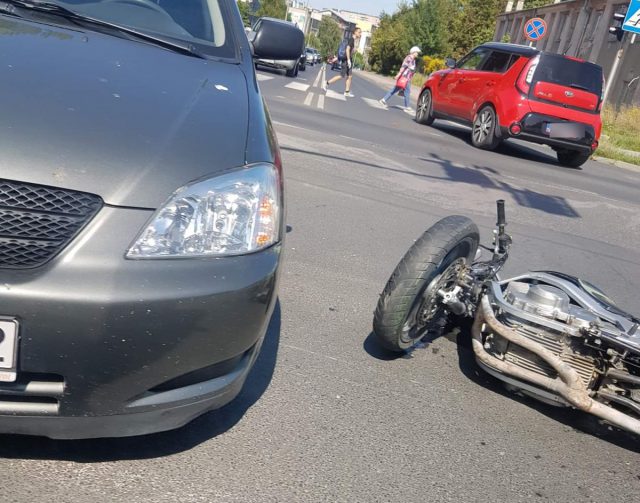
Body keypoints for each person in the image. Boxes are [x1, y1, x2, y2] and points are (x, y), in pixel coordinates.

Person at [379, 46, 421, 110]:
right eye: (417, 52)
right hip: (405, 77)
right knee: (407, 91)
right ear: (413, 52)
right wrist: (398, 74)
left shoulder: (413, 59)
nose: (417, 54)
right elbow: (404, 66)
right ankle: (407, 106)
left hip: (407, 77)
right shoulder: (409, 58)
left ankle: (383, 99)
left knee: (395, 89)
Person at [324, 27, 362, 97]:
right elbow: (347, 50)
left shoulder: (352, 40)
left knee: (350, 76)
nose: (360, 34)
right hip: (347, 61)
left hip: (348, 60)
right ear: (355, 32)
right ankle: (327, 83)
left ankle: (347, 92)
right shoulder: (351, 40)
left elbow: (348, 51)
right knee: (341, 75)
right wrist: (348, 60)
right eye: (359, 32)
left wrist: (353, 52)